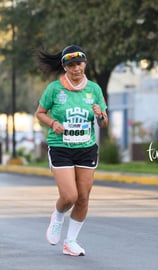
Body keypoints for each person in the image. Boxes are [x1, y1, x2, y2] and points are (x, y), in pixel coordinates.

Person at [35, 45, 108, 256]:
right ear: (65, 67)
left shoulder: (94, 89)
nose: (76, 68)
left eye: (79, 64)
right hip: (61, 147)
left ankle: (71, 242)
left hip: (86, 148)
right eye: (71, 65)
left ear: (85, 64)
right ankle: (58, 216)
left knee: (83, 198)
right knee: (69, 196)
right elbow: (40, 113)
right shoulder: (54, 89)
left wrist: (99, 115)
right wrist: (53, 123)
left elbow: (103, 123)